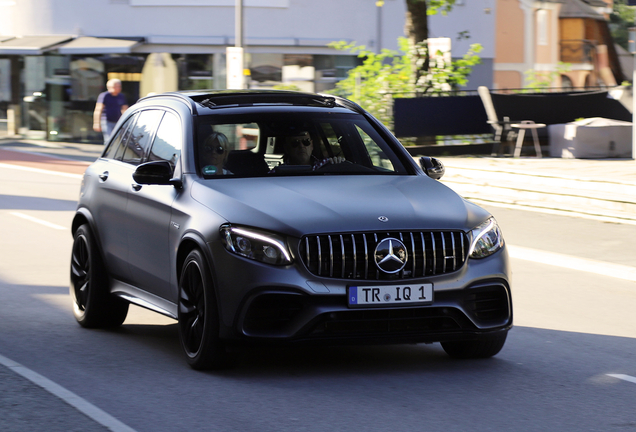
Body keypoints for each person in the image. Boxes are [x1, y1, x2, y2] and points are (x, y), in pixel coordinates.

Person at [93, 79, 128, 143]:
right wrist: (96, 123)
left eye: (119, 86)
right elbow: (98, 109)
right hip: (107, 120)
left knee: (118, 139)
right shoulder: (104, 96)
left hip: (118, 121)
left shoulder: (121, 96)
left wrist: (126, 120)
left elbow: (124, 109)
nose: (118, 88)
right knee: (109, 140)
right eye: (116, 86)